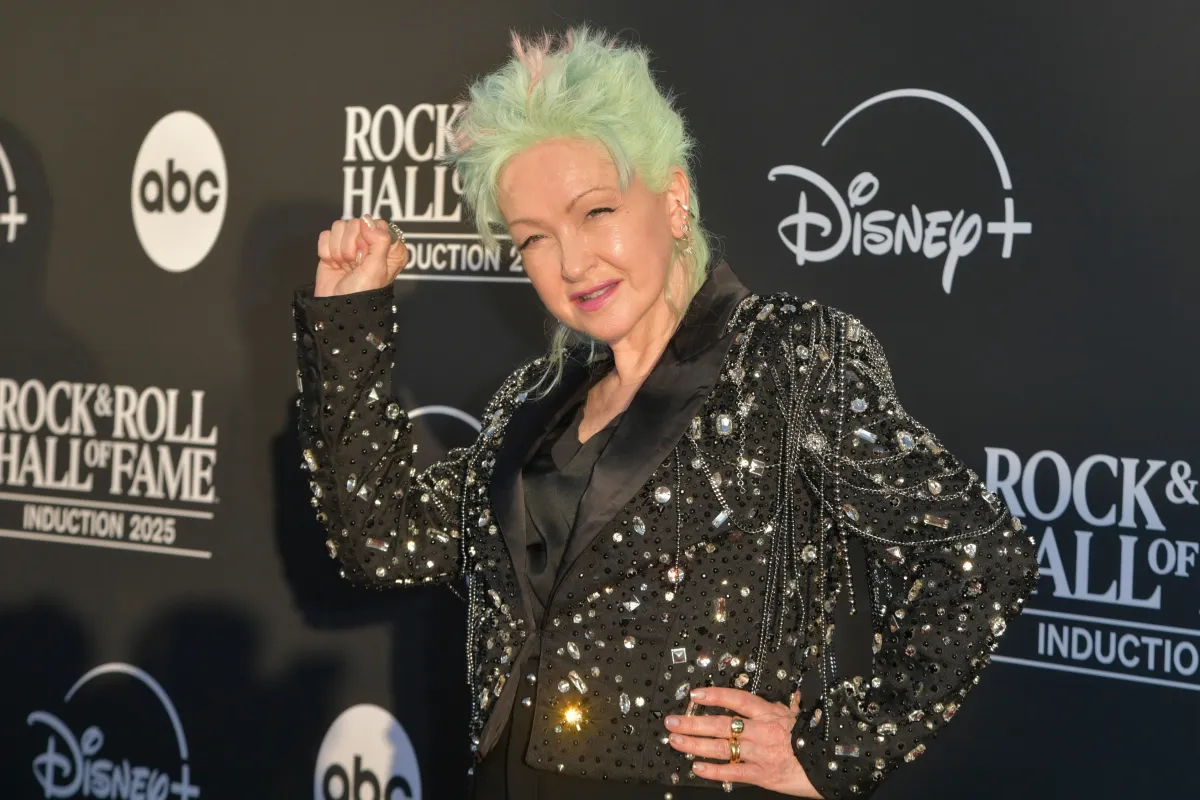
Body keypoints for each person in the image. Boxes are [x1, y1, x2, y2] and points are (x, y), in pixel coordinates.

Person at [292, 27, 1038, 799]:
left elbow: (981, 556)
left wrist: (833, 750)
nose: (572, 263)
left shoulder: (785, 357)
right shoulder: (534, 401)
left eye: (596, 212)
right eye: (534, 240)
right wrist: (348, 324)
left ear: (674, 199)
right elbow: (381, 542)